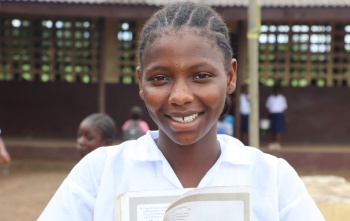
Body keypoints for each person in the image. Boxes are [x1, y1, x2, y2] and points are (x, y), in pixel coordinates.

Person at [38, 2, 324, 220]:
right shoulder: (99, 174)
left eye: (201, 76)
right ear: (141, 82)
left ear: (231, 77)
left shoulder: (272, 179)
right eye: (159, 78)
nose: (180, 96)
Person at [265, 85, 288, 149]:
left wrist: (285, 117)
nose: (276, 91)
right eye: (275, 90)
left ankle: (277, 143)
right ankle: (273, 143)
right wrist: (267, 117)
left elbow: (284, 109)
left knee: (279, 129)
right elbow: (268, 108)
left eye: (278, 90)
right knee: (273, 129)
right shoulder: (270, 98)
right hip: (272, 115)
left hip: (279, 115)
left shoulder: (282, 98)